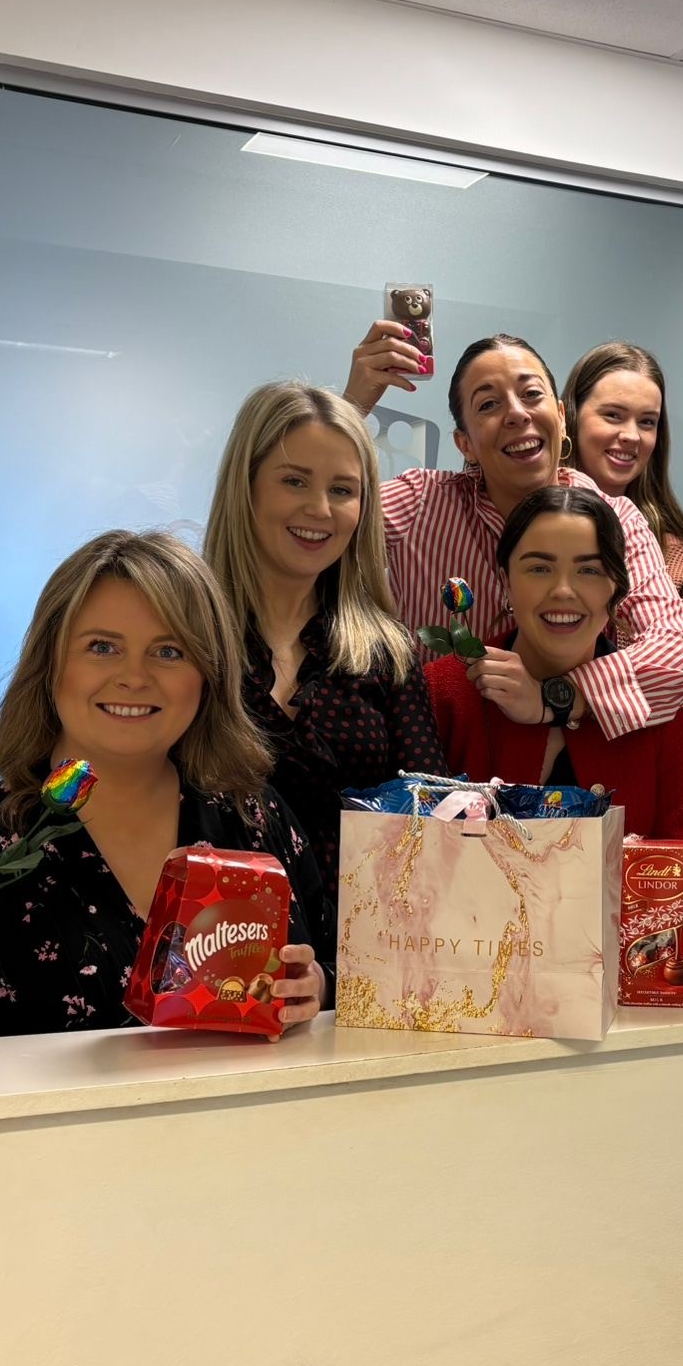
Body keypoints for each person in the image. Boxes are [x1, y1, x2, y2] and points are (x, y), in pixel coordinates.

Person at [0, 531, 326, 1366]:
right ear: (50, 663)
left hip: (204, 1261)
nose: (134, 677)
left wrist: (315, 1002)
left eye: (168, 651)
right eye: (101, 646)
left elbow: (332, 1035)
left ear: (207, 674)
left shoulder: (256, 825)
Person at [342, 324, 683, 745]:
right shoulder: (419, 503)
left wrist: (556, 697)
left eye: (531, 394)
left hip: (564, 765)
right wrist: (352, 407)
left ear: (561, 417)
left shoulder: (615, 519)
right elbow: (308, 522)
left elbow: (678, 651)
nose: (516, 413)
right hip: (434, 760)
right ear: (465, 443)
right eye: (489, 404)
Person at [203, 382, 445, 981]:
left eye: (342, 490)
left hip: (360, 979)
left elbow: (433, 832)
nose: (320, 509)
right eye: (294, 481)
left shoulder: (388, 653)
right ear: (245, 486)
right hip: (207, 972)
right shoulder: (187, 639)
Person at [426, 487, 683, 845]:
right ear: (506, 581)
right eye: (539, 568)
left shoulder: (653, 706)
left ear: (617, 588)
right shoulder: (445, 691)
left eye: (589, 570)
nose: (563, 590)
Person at [560, 342, 683, 816]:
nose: (630, 435)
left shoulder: (676, 553)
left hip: (643, 793)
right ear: (572, 418)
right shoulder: (527, 526)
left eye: (647, 422)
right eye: (613, 415)